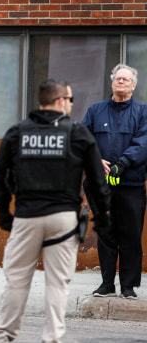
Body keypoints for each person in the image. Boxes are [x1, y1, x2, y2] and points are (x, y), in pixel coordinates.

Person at [0, 79, 110, 343]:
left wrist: (6, 214)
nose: (71, 105)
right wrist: (103, 216)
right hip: (63, 219)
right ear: (61, 101)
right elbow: (97, 180)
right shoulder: (78, 133)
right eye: (71, 100)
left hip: (27, 215)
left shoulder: (18, 132)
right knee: (58, 282)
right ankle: (52, 338)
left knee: (17, 280)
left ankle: (2, 336)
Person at [82, 63, 147, 300]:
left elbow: (144, 143)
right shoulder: (95, 110)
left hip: (130, 184)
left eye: (125, 79)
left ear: (133, 85)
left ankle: (128, 287)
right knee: (106, 234)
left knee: (130, 235)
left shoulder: (143, 112)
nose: (121, 82)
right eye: (117, 78)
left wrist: (122, 163)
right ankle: (107, 284)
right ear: (112, 83)